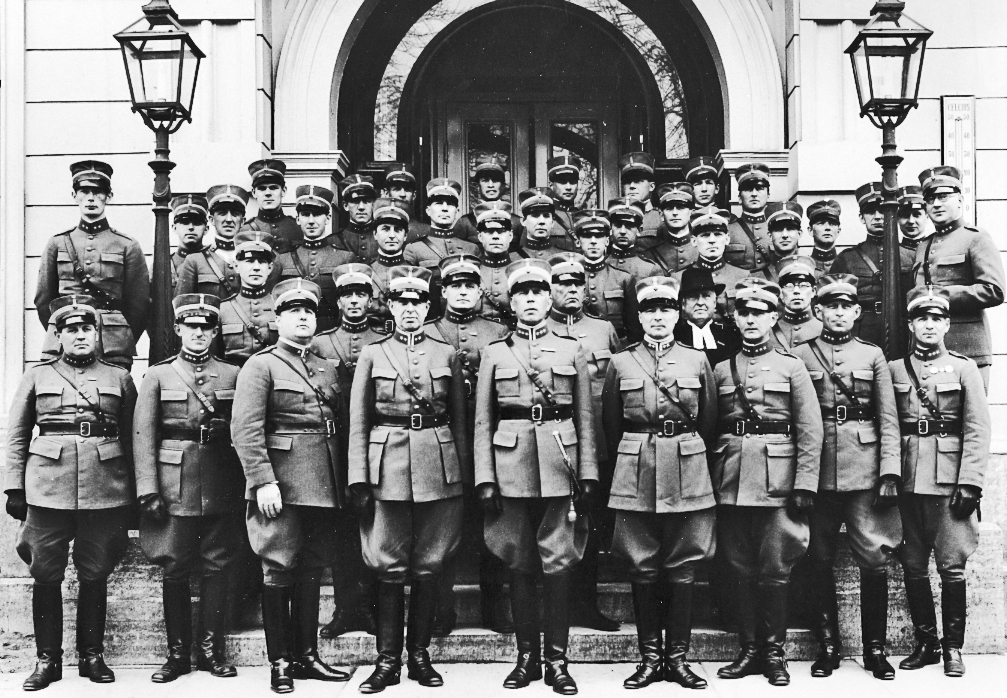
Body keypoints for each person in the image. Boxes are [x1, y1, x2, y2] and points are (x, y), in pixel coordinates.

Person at [474, 258, 598, 695]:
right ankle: (526, 658)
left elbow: (585, 415)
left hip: (561, 463)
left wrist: (588, 474)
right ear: (511, 302)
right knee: (520, 563)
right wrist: (485, 478)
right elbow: (482, 421)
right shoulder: (494, 353)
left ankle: (557, 662)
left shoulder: (572, 349)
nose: (530, 299)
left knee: (559, 563)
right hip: (510, 466)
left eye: (538, 292)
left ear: (550, 300)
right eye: (522, 293)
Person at [347, 266, 471, 693]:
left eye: (417, 302)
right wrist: (359, 477)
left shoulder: (446, 353)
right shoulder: (373, 353)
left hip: (439, 464)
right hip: (387, 466)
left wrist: (462, 476)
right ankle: (386, 662)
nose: (410, 309)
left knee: (430, 563)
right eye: (402, 302)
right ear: (391, 307)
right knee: (387, 564)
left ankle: (419, 656)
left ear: (428, 306)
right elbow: (359, 420)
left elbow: (459, 421)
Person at [5, 295, 137, 689]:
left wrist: (137, 492)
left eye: (87, 329)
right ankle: (47, 660)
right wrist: (14, 487)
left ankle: (92, 656)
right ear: (58, 336)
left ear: (97, 334)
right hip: (47, 486)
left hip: (105, 486)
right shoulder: (36, 376)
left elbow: (135, 438)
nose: (80, 335)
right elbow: (16, 434)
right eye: (71, 330)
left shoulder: (119, 378)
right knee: (45, 572)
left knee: (96, 570)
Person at [231, 278, 351, 693]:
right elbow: (246, 430)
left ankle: (307, 656)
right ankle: (280, 662)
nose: (303, 318)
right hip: (280, 484)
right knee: (278, 567)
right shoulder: (261, 365)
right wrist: (262, 480)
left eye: (309, 312)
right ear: (277, 319)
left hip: (323, 482)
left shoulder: (326, 366)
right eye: (293, 311)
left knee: (313, 567)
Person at [602, 276, 717, 690]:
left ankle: (678, 660)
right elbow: (611, 424)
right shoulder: (621, 362)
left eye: (666, 309)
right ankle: (650, 659)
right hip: (636, 470)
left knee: (683, 565)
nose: (658, 317)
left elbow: (709, 421)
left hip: (687, 467)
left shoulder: (696, 360)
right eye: (650, 309)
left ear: (677, 313)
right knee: (642, 565)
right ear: (639, 315)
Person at [790, 274, 902, 679]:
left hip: (864, 470)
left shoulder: (872, 356)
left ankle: (875, 650)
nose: (838, 313)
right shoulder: (800, 354)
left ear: (856, 312)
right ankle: (828, 647)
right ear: (818, 311)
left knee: (874, 558)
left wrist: (890, 471)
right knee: (818, 558)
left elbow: (888, 418)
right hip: (817, 471)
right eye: (830, 306)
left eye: (845, 307)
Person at [712, 278, 823, 687]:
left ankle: (774, 654)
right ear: (735, 318)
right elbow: (710, 426)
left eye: (760, 313)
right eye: (744, 312)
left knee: (775, 569)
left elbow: (810, 429)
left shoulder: (792, 366)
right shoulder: (722, 369)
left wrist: (805, 484)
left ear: (774, 317)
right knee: (740, 567)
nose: (751, 319)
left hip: (779, 481)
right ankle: (749, 650)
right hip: (732, 479)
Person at [133, 294, 245, 682]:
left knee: (218, 564)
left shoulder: (233, 374)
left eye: (206, 327)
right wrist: (148, 489)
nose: (198, 333)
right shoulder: (158, 375)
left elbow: (248, 427)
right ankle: (178, 655)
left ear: (215, 332)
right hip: (173, 484)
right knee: (175, 567)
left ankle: (212, 652)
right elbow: (142, 436)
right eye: (191, 326)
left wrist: (229, 430)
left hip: (220, 480)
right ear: (179, 329)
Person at [890, 285, 990, 678]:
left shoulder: (964, 369)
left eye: (936, 318)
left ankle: (953, 648)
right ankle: (926, 643)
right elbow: (888, 426)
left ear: (947, 325)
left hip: (950, 484)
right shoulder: (895, 369)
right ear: (911, 324)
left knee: (952, 567)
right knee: (913, 566)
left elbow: (978, 429)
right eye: (922, 318)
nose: (929, 325)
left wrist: (971, 482)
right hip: (908, 480)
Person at [424, 255, 512, 635]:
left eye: (470, 286)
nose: (463, 292)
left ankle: (495, 607)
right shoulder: (427, 331)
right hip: (443, 441)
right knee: (443, 525)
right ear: (443, 292)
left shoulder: (499, 332)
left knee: (494, 520)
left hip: (490, 439)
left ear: (480, 292)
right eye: (455, 286)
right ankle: (442, 610)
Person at [545, 253, 622, 633]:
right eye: (562, 283)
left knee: (590, 524)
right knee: (551, 525)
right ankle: (551, 607)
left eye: (577, 283)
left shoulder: (603, 330)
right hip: (552, 444)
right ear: (550, 290)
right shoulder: (538, 330)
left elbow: (618, 385)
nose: (571, 289)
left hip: (596, 443)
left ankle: (585, 605)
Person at [312, 263, 386, 639]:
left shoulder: (385, 340)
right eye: (346, 295)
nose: (354, 300)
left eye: (360, 294)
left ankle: (371, 608)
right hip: (336, 442)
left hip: (377, 440)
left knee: (374, 520)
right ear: (338, 301)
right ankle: (345, 608)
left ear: (370, 299)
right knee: (341, 526)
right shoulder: (320, 343)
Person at [35, 161, 151, 370]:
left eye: (98, 192)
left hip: (112, 348)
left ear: (109, 196)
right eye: (84, 191)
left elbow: (139, 304)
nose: (91, 198)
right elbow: (44, 299)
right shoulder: (57, 243)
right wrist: (62, 332)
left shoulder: (127, 245)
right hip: (63, 345)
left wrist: (119, 336)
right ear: (74, 195)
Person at [913, 166, 1005, 390]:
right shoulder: (923, 246)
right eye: (930, 199)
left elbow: (994, 290)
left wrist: (941, 295)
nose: (936, 204)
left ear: (960, 200)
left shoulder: (976, 238)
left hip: (967, 349)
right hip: (930, 350)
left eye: (943, 197)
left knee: (971, 410)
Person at [831, 182, 916, 348]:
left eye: (882, 210)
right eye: (870, 211)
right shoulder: (847, 258)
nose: (877, 216)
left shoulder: (911, 255)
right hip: (862, 331)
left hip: (902, 329)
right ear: (861, 217)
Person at [274, 185, 355, 332]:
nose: (311, 221)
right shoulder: (282, 259)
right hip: (295, 331)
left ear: (328, 218)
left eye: (317, 214)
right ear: (298, 219)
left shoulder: (345, 258)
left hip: (331, 332)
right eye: (305, 214)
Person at [176, 184, 254, 300]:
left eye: (235, 214)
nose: (229, 220)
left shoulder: (256, 259)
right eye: (222, 213)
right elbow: (183, 306)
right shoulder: (195, 261)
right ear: (211, 219)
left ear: (243, 221)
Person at [671, 208, 748, 325]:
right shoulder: (678, 278)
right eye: (705, 235)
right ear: (694, 241)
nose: (712, 240)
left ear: (727, 239)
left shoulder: (743, 276)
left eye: (718, 234)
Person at [572, 210, 639, 342]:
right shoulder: (570, 278)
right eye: (587, 236)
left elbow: (633, 327)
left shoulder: (623, 279)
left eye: (599, 236)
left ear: (607, 241)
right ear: (578, 242)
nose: (593, 241)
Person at [217, 231, 279, 365]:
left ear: (269, 268)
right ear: (236, 266)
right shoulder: (223, 310)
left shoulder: (280, 307)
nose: (256, 268)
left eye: (262, 262)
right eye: (249, 261)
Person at [673, 267, 740, 368]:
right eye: (693, 297)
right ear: (683, 304)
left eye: (706, 296)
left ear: (714, 302)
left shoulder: (731, 336)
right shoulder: (675, 337)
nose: (700, 303)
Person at [475, 200, 523, 326]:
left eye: (501, 231)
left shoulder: (521, 272)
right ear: (480, 237)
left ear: (510, 236)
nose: (495, 236)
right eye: (489, 232)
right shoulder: (472, 272)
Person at [453, 155, 521, 243]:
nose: (490, 185)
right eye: (485, 180)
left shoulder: (517, 222)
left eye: (495, 180)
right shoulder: (465, 222)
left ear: (502, 185)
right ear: (478, 185)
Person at [368, 198, 411, 333]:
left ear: (405, 235)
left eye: (398, 230)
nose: (392, 235)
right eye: (385, 229)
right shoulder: (363, 273)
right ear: (375, 234)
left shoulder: (416, 274)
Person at [243, 159, 302, 254]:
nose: (268, 193)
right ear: (254, 192)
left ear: (283, 191)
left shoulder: (299, 227)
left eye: (273, 188)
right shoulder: (244, 230)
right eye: (262, 188)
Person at [767, 256, 823, 351]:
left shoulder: (824, 330)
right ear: (781, 293)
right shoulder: (767, 332)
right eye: (789, 286)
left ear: (813, 291)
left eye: (803, 285)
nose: (796, 291)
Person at [725, 162, 772, 271]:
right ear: (739, 198)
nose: (754, 194)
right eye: (748, 189)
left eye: (760, 188)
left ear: (768, 196)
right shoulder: (727, 230)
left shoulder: (778, 229)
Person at [606, 198, 663, 282]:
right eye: (618, 225)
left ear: (639, 230)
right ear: (610, 228)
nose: (622, 231)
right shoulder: (601, 264)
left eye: (629, 226)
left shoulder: (650, 270)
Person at [644, 182, 697, 274]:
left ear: (691, 213)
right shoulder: (650, 255)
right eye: (669, 208)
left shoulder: (703, 250)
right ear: (661, 215)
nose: (675, 213)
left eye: (680, 208)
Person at [751, 201, 803, 282]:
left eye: (790, 229)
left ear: (799, 234)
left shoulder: (811, 272)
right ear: (770, 236)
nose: (785, 235)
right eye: (778, 230)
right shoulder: (757, 277)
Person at [619, 152, 661, 248]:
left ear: (651, 186)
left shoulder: (660, 218)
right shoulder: (614, 219)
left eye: (638, 181)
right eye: (627, 182)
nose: (632, 186)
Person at [381, 163, 431, 243]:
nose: (402, 194)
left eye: (407, 190)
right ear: (386, 193)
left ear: (414, 195)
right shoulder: (378, 229)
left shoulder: (426, 231)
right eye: (397, 189)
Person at [170, 194, 210, 293]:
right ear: (174, 228)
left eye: (197, 223)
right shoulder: (164, 264)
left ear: (206, 229)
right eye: (184, 222)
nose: (191, 227)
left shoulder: (215, 261)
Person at [336, 175, 380, 264]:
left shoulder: (383, 239)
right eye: (355, 202)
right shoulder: (334, 240)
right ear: (345, 205)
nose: (361, 207)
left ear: (374, 205)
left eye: (367, 201)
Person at [519, 188, 568, 259]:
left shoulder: (564, 258)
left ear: (553, 222)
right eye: (535, 216)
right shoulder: (512, 257)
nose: (541, 221)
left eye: (546, 216)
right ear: (524, 221)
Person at [548, 155, 582, 240]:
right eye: (562, 182)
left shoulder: (583, 217)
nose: (568, 187)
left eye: (573, 182)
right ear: (551, 185)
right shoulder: (544, 216)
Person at [807, 199, 842, 276]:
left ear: (838, 231)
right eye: (821, 223)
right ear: (810, 230)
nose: (827, 228)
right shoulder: (805, 267)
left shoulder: (846, 265)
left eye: (832, 224)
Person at [898, 185, 928, 253]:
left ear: (927, 216)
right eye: (905, 215)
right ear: (897, 218)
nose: (911, 221)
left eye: (917, 215)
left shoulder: (934, 249)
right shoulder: (893, 252)